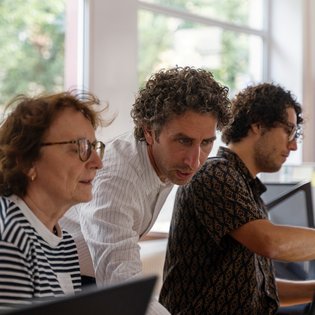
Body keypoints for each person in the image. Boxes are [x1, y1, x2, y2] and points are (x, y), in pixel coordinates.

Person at [61, 66, 231, 314]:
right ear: (149, 131)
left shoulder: (169, 162)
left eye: (206, 143)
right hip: (63, 281)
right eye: (183, 141)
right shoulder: (116, 179)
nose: (195, 161)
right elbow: (123, 287)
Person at [158, 82, 315, 314]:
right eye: (288, 131)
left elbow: (261, 290)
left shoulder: (249, 190)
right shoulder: (215, 174)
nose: (292, 145)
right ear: (257, 124)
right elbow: (270, 242)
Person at [0, 90, 107, 311]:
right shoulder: (10, 240)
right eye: (80, 147)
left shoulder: (64, 243)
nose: (97, 162)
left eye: (94, 147)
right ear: (28, 161)